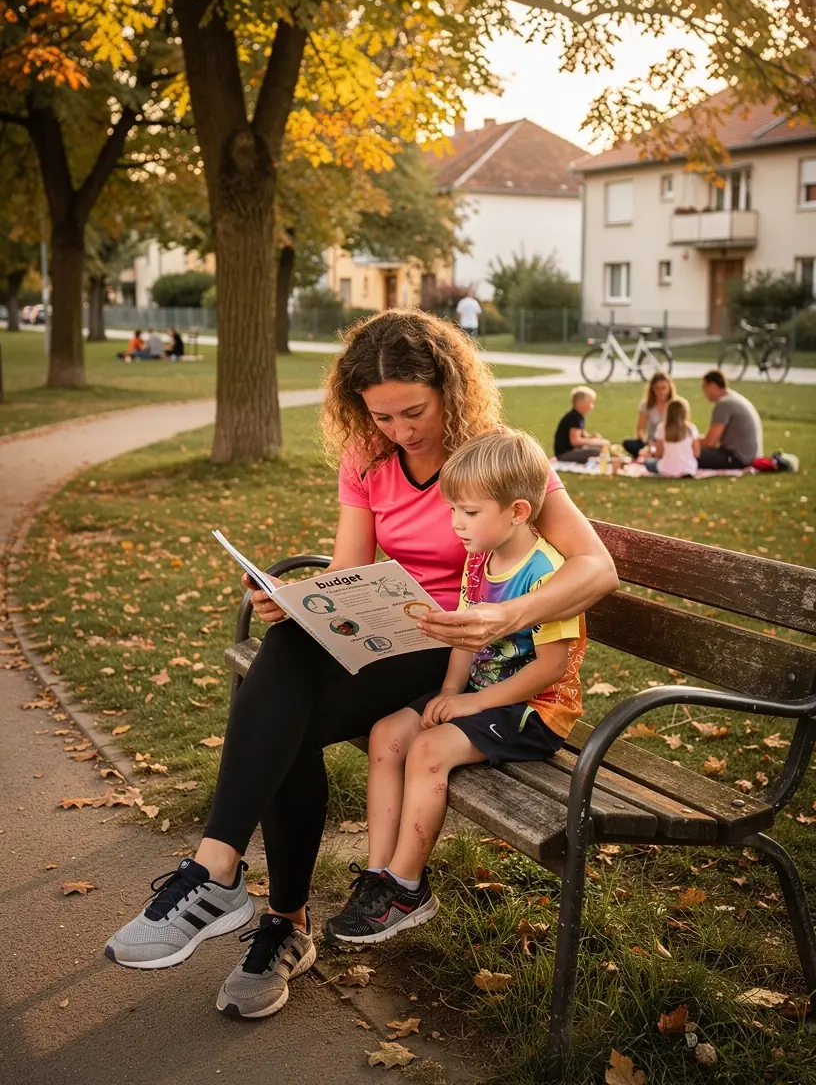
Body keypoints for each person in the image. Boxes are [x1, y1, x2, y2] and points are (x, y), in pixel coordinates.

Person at [104, 310, 617, 1022]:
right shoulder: (367, 459)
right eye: (382, 416)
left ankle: (251, 901)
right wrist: (300, 603)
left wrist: (506, 615)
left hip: (461, 648)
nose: (402, 431)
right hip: (390, 638)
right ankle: (243, 892)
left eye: (416, 411)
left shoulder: (492, 459)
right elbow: (348, 573)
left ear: (450, 389)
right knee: (285, 657)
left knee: (282, 709)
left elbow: (598, 567)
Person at [323, 429, 585, 945]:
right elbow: (467, 634)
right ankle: (378, 875)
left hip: (532, 710)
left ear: (516, 511)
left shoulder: (548, 575)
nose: (455, 524)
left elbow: (551, 669)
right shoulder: (478, 559)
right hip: (482, 694)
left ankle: (406, 888)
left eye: (467, 512)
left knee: (426, 751)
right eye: (452, 511)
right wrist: (445, 693)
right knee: (388, 734)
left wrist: (469, 702)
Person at [698, 370, 763, 469]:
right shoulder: (734, 398)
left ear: (712, 386)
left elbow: (710, 442)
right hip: (750, 456)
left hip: (738, 458)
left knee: (690, 453)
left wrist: (688, 442)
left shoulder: (724, 404)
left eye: (704, 387)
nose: (704, 393)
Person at [623, 371, 676, 459]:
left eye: (664, 388)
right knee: (628, 443)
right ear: (652, 389)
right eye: (657, 388)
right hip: (650, 442)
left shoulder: (675, 404)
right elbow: (640, 429)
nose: (661, 392)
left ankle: (653, 455)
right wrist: (647, 442)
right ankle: (651, 454)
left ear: (669, 388)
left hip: (669, 442)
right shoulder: (646, 405)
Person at [643, 396, 701, 477]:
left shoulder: (662, 428)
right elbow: (697, 453)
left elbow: (659, 454)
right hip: (689, 469)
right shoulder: (691, 428)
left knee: (648, 462)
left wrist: (651, 451)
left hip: (666, 469)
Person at [553, 386, 609, 463]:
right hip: (565, 454)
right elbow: (575, 441)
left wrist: (592, 438)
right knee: (597, 451)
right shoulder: (574, 417)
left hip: (569, 451)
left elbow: (582, 435)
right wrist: (595, 442)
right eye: (590, 403)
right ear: (581, 403)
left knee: (598, 447)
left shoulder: (577, 416)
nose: (592, 406)